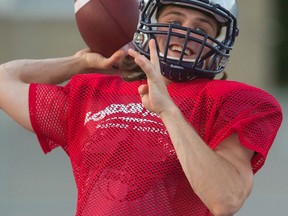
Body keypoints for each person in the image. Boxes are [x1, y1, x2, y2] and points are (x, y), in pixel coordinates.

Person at [0, 0, 283, 215]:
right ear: (148, 23)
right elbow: (4, 80)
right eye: (174, 19)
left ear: (218, 42)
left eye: (201, 29)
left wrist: (168, 111)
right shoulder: (93, 92)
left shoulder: (233, 100)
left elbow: (226, 198)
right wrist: (81, 62)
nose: (184, 33)